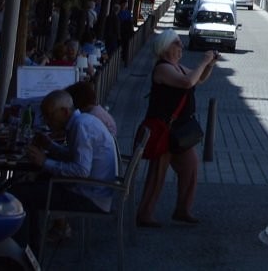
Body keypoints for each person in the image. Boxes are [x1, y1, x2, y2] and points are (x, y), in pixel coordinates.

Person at [14, 89, 117, 252]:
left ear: (64, 111)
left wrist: (44, 161)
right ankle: (41, 237)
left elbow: (81, 170)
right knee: (37, 182)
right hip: (96, 190)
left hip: (90, 197)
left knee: (20, 194)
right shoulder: (82, 121)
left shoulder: (81, 126)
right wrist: (51, 146)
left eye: (49, 115)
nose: (46, 121)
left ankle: (28, 249)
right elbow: (74, 156)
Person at [136, 28, 215, 227]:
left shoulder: (177, 67)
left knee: (190, 167)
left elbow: (200, 78)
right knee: (158, 174)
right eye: (177, 43)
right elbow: (188, 82)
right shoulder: (163, 68)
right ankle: (145, 214)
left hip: (178, 132)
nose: (181, 47)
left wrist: (210, 65)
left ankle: (182, 209)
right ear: (165, 48)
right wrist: (204, 62)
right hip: (163, 129)